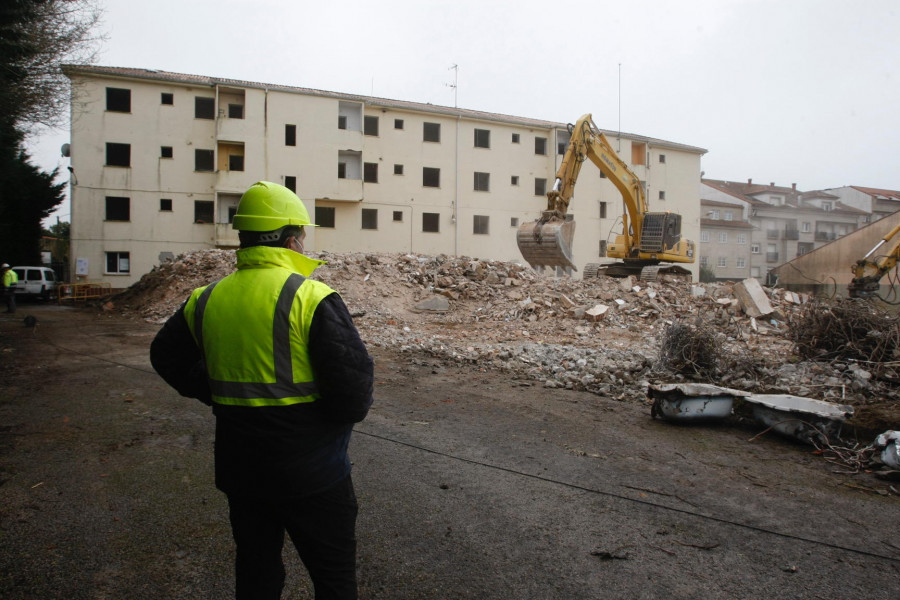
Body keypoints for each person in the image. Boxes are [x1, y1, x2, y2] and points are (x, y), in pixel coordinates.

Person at [150, 181, 374, 600]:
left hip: (242, 469)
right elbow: (353, 394)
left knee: (256, 572)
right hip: (314, 473)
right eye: (302, 237)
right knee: (334, 578)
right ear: (291, 239)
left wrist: (214, 391)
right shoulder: (310, 296)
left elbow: (166, 357)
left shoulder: (206, 298)